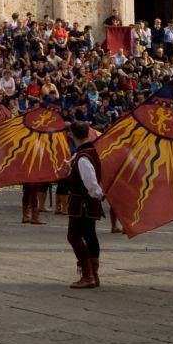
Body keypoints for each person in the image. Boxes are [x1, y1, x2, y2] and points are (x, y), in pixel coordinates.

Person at [65, 121, 105, 288]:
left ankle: (88, 275)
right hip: (87, 202)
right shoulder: (88, 151)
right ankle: (94, 275)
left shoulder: (83, 157)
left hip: (82, 202)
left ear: (72, 135)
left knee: (73, 236)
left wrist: (98, 195)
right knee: (89, 235)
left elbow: (91, 183)